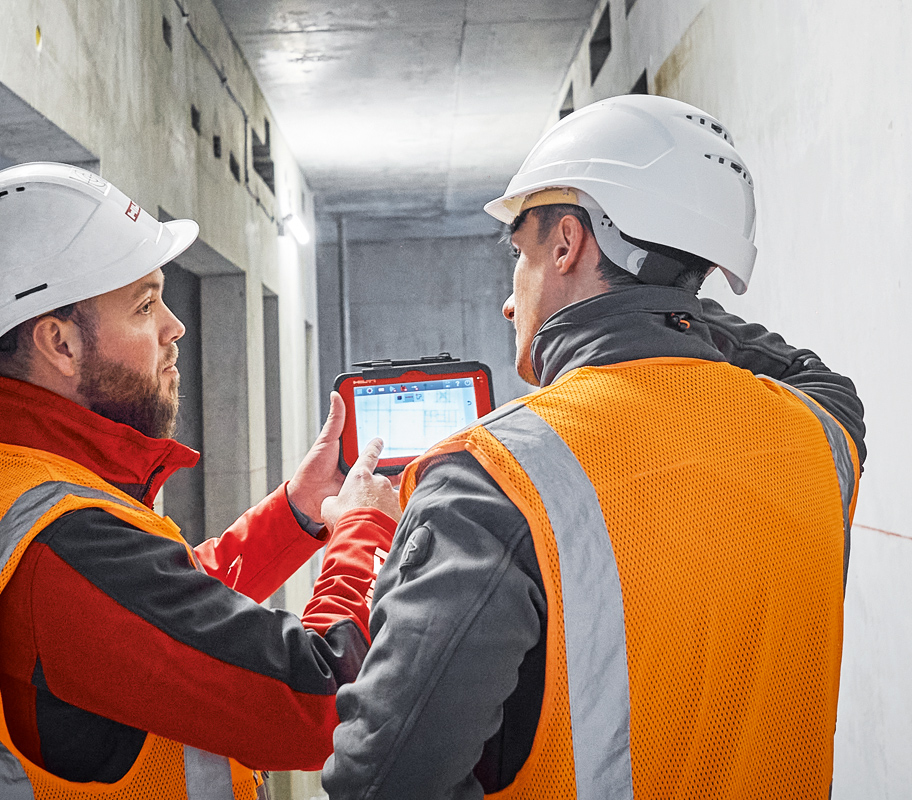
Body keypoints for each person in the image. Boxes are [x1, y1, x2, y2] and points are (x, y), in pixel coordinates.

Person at [323, 95, 865, 799]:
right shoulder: (822, 437)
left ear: (565, 243)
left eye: (519, 255)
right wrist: (674, 299)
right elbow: (811, 373)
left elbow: (382, 784)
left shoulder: (492, 480)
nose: (510, 302)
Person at [0, 162, 400, 800]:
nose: (175, 327)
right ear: (60, 343)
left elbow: (163, 616)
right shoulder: (64, 546)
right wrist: (367, 527)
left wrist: (295, 513)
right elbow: (320, 700)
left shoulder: (5, 486)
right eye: (145, 304)